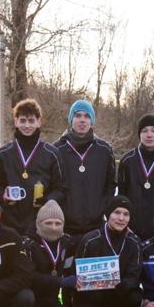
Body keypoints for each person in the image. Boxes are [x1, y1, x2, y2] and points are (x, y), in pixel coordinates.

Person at [22, 200, 98, 307]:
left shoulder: (67, 243)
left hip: (53, 306)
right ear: (38, 223)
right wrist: (61, 282)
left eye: (58, 223)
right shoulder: (28, 244)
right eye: (48, 223)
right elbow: (29, 278)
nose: (53, 227)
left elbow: (73, 270)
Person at [75, 195, 144, 307]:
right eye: (117, 213)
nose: (121, 218)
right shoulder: (90, 240)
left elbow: (134, 277)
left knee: (136, 296)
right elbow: (77, 275)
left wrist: (119, 284)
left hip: (118, 296)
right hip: (91, 300)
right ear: (108, 214)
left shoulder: (134, 242)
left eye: (126, 214)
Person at [0, 98, 64, 237]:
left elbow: (61, 188)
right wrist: (3, 195)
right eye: (22, 120)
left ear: (39, 122)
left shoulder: (52, 153)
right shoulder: (4, 153)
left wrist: (46, 201)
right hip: (9, 222)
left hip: (40, 221)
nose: (27, 125)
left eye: (31, 121)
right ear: (16, 121)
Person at [53, 99, 116, 236]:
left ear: (92, 121)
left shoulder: (104, 150)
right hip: (65, 227)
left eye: (87, 116)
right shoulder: (57, 150)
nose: (82, 120)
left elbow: (110, 185)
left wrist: (100, 209)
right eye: (78, 116)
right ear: (71, 120)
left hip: (96, 227)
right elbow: (52, 186)